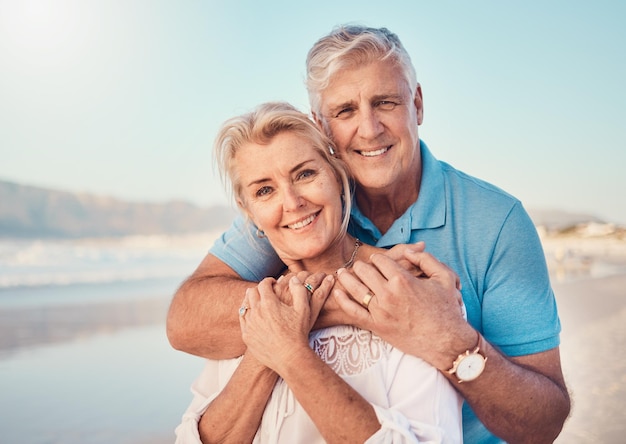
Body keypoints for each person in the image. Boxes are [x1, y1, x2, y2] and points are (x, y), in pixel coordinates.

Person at [168, 25, 570, 443]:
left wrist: (447, 339)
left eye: (386, 102)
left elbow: (543, 425)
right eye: (344, 111)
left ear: (416, 104)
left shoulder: (495, 221)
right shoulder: (297, 210)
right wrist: (348, 303)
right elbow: (186, 320)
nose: (369, 128)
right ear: (320, 125)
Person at [174, 102, 463, 443]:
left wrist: (290, 354)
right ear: (249, 211)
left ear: (338, 177)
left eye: (305, 174)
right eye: (264, 190)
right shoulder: (256, 304)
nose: (293, 202)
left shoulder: (409, 289)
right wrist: (268, 346)